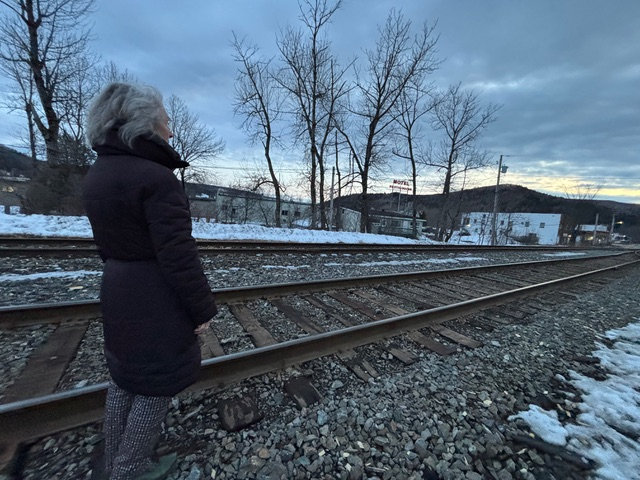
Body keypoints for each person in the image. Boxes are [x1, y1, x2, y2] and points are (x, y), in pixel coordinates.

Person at [83, 82, 218, 480]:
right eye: (165, 121)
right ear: (145, 124)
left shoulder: (98, 174)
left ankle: (112, 462)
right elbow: (178, 254)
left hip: (117, 288)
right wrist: (202, 309)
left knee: (125, 378)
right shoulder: (156, 179)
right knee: (154, 388)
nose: (171, 131)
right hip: (155, 298)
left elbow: (109, 244)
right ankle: (127, 472)